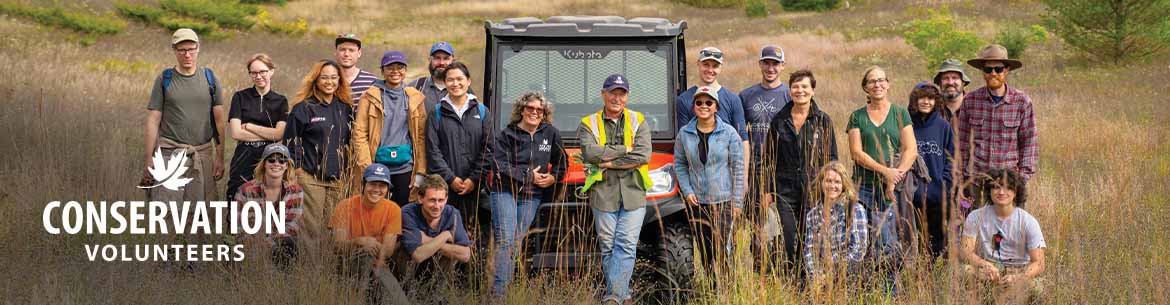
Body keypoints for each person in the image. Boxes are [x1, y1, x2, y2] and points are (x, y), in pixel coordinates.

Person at [577, 74, 652, 305]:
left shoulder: (638, 119)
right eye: (612, 92)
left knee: (626, 244)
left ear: (627, 96)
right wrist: (625, 150)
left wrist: (608, 161)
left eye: (621, 93)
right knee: (608, 246)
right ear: (603, 94)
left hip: (633, 192)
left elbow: (643, 155)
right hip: (603, 193)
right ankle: (624, 295)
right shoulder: (588, 122)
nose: (617, 98)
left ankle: (613, 298)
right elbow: (590, 153)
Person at [846, 66, 917, 289]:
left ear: (888, 84)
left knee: (888, 239)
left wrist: (894, 177)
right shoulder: (857, 116)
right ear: (865, 87)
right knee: (863, 239)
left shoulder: (900, 113)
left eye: (881, 80)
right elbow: (856, 153)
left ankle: (890, 291)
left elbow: (911, 149)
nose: (877, 84)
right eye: (872, 81)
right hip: (863, 188)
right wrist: (885, 171)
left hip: (892, 190)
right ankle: (864, 288)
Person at [488, 92, 567, 297]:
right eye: (530, 108)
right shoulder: (507, 134)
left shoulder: (550, 133)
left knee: (515, 241)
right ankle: (499, 294)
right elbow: (498, 164)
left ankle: (505, 286)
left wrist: (553, 178)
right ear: (522, 110)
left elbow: (562, 162)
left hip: (532, 196)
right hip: (505, 191)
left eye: (539, 110)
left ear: (544, 114)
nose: (534, 112)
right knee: (506, 240)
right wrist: (527, 175)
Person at [760, 69, 838, 272]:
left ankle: (804, 280)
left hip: (814, 187)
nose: (799, 90)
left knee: (809, 236)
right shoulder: (779, 120)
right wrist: (767, 190)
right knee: (788, 236)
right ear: (790, 90)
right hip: (784, 188)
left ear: (813, 90)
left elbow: (832, 158)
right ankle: (789, 273)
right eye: (795, 86)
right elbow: (768, 158)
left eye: (804, 86)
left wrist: (831, 187)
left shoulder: (823, 121)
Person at [141, 28, 224, 203]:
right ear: (174, 50)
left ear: (198, 48)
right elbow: (153, 120)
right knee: (167, 211)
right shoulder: (165, 79)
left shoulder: (210, 78)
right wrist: (149, 159)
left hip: (202, 154)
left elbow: (219, 121)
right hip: (169, 153)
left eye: (191, 49)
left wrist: (220, 157)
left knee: (202, 213)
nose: (187, 54)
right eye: (182, 50)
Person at [674, 85, 746, 271]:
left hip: (724, 201)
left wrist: (737, 202)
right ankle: (711, 290)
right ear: (693, 106)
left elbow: (738, 169)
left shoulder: (729, 133)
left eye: (709, 102)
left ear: (716, 107)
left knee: (722, 250)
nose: (703, 105)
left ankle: (728, 291)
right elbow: (680, 165)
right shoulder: (684, 134)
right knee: (705, 252)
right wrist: (687, 191)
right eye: (699, 102)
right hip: (698, 203)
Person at [958, 44, 1039, 203]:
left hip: (1008, 183)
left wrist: (1020, 180)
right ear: (983, 72)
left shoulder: (1021, 102)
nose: (993, 73)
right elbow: (962, 143)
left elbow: (1029, 143)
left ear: (1007, 70)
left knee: (1010, 227)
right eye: (988, 70)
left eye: (998, 69)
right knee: (976, 226)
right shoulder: (970, 100)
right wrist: (961, 180)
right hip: (976, 182)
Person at [283, 59, 354, 242]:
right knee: (311, 230)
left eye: (333, 78)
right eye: (324, 78)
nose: (329, 82)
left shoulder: (345, 108)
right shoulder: (304, 108)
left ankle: (329, 267)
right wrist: (297, 170)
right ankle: (310, 269)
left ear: (339, 80)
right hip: (311, 178)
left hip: (338, 180)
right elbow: (291, 141)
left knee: (335, 230)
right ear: (316, 80)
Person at [425, 61, 492, 251]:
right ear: (445, 83)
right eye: (450, 80)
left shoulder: (481, 111)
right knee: (448, 233)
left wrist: (472, 178)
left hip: (475, 188)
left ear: (468, 81)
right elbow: (433, 150)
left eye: (460, 79)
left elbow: (488, 148)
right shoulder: (437, 112)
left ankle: (475, 274)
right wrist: (451, 178)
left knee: (475, 234)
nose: (455, 83)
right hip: (446, 188)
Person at [353, 51, 428, 207]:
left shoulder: (415, 97)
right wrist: (368, 168)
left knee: (402, 213)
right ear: (382, 71)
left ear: (405, 70)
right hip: (378, 165)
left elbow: (421, 136)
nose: (395, 71)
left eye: (400, 67)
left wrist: (420, 171)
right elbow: (359, 134)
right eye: (390, 67)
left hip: (405, 167)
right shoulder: (369, 96)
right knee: (375, 211)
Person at [960, 168, 1045, 305]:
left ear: (1015, 192)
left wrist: (1019, 278)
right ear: (989, 190)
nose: (1001, 192)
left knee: (1037, 288)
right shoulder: (975, 216)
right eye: (996, 187)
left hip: (1019, 269)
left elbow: (1039, 263)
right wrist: (984, 265)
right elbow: (965, 251)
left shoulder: (1028, 221)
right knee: (963, 271)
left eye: (1008, 188)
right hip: (988, 267)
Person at [330, 163, 411, 305]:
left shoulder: (393, 209)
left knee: (397, 298)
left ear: (388, 189)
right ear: (364, 184)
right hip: (348, 264)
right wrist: (359, 242)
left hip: (378, 265)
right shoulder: (345, 205)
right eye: (372, 184)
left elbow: (387, 250)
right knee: (364, 256)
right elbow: (337, 246)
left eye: (382, 186)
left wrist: (375, 250)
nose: (377, 190)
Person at [400, 174, 473, 302]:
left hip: (438, 276)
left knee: (449, 256)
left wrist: (427, 241)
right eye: (432, 200)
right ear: (420, 198)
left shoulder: (452, 213)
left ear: (446, 199)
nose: (437, 206)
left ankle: (435, 294)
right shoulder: (408, 212)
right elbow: (418, 255)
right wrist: (446, 236)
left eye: (441, 200)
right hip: (408, 272)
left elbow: (466, 255)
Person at [226, 53, 289, 200]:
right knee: (237, 196)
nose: (258, 76)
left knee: (266, 199)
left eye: (262, 72)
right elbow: (236, 133)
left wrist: (250, 126)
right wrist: (269, 133)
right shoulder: (240, 97)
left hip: (269, 156)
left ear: (271, 71)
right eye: (253, 73)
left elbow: (279, 134)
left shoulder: (280, 101)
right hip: (244, 154)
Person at [233, 143, 303, 271]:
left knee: (289, 244)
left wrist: (268, 244)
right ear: (264, 164)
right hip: (251, 245)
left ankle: (284, 283)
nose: (277, 163)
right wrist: (256, 243)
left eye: (282, 160)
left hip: (278, 246)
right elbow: (237, 227)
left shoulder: (295, 192)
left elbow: (291, 228)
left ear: (286, 166)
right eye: (271, 160)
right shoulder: (245, 190)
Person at [676, 47, 749, 168]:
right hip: (696, 174)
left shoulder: (732, 99)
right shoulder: (684, 100)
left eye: (715, 66)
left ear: (720, 68)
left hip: (726, 172)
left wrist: (744, 176)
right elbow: (682, 143)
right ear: (698, 64)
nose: (710, 70)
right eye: (706, 65)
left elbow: (742, 139)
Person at [907, 82, 955, 257]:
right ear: (914, 100)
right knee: (915, 241)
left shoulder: (943, 126)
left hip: (938, 195)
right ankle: (917, 277)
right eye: (921, 98)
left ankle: (933, 278)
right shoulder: (907, 125)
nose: (926, 102)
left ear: (936, 101)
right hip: (912, 195)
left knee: (938, 244)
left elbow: (952, 159)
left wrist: (945, 185)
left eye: (930, 98)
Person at [803, 162, 868, 287]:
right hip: (819, 280)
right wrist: (815, 275)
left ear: (844, 185)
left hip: (847, 278)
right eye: (828, 181)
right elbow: (809, 251)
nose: (832, 186)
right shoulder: (812, 215)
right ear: (821, 183)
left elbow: (859, 249)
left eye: (837, 182)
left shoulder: (854, 209)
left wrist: (832, 272)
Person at [411, 41, 457, 110]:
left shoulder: (461, 88)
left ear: (453, 61)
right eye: (437, 58)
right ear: (430, 60)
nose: (441, 63)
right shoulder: (416, 87)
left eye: (446, 58)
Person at [334, 33, 378, 104]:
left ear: (359, 53)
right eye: (342, 49)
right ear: (336, 52)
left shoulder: (371, 81)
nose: (346, 54)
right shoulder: (327, 81)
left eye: (351, 50)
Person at [934, 59, 971, 124]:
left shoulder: (975, 107)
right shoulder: (931, 108)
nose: (950, 82)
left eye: (955, 78)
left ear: (963, 82)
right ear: (939, 83)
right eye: (945, 78)